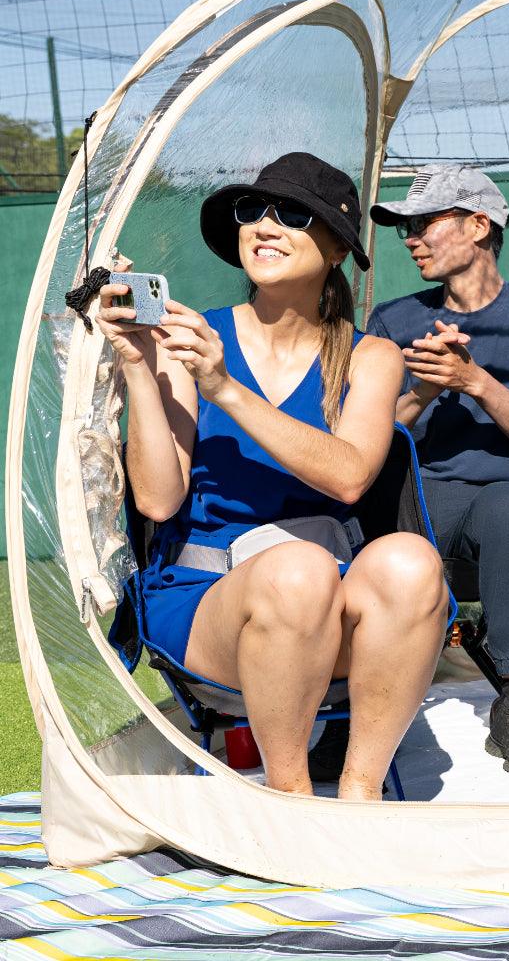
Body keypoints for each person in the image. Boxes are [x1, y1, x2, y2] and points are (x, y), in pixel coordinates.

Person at [97, 152, 448, 800]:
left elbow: (348, 478)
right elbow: (157, 496)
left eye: (292, 214)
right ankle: (290, 799)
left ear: (338, 249)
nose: (264, 224)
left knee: (410, 563)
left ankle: (360, 791)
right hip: (211, 602)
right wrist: (139, 367)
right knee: (296, 572)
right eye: (251, 210)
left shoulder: (370, 357)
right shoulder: (191, 339)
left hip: (326, 595)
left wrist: (224, 388)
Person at [363, 164, 509, 774]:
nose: (409, 239)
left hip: (504, 499)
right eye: (402, 228)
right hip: (418, 502)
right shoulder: (392, 321)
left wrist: (476, 382)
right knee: (362, 530)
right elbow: (363, 439)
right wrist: (424, 388)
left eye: (423, 224)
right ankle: (354, 704)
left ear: (478, 225)